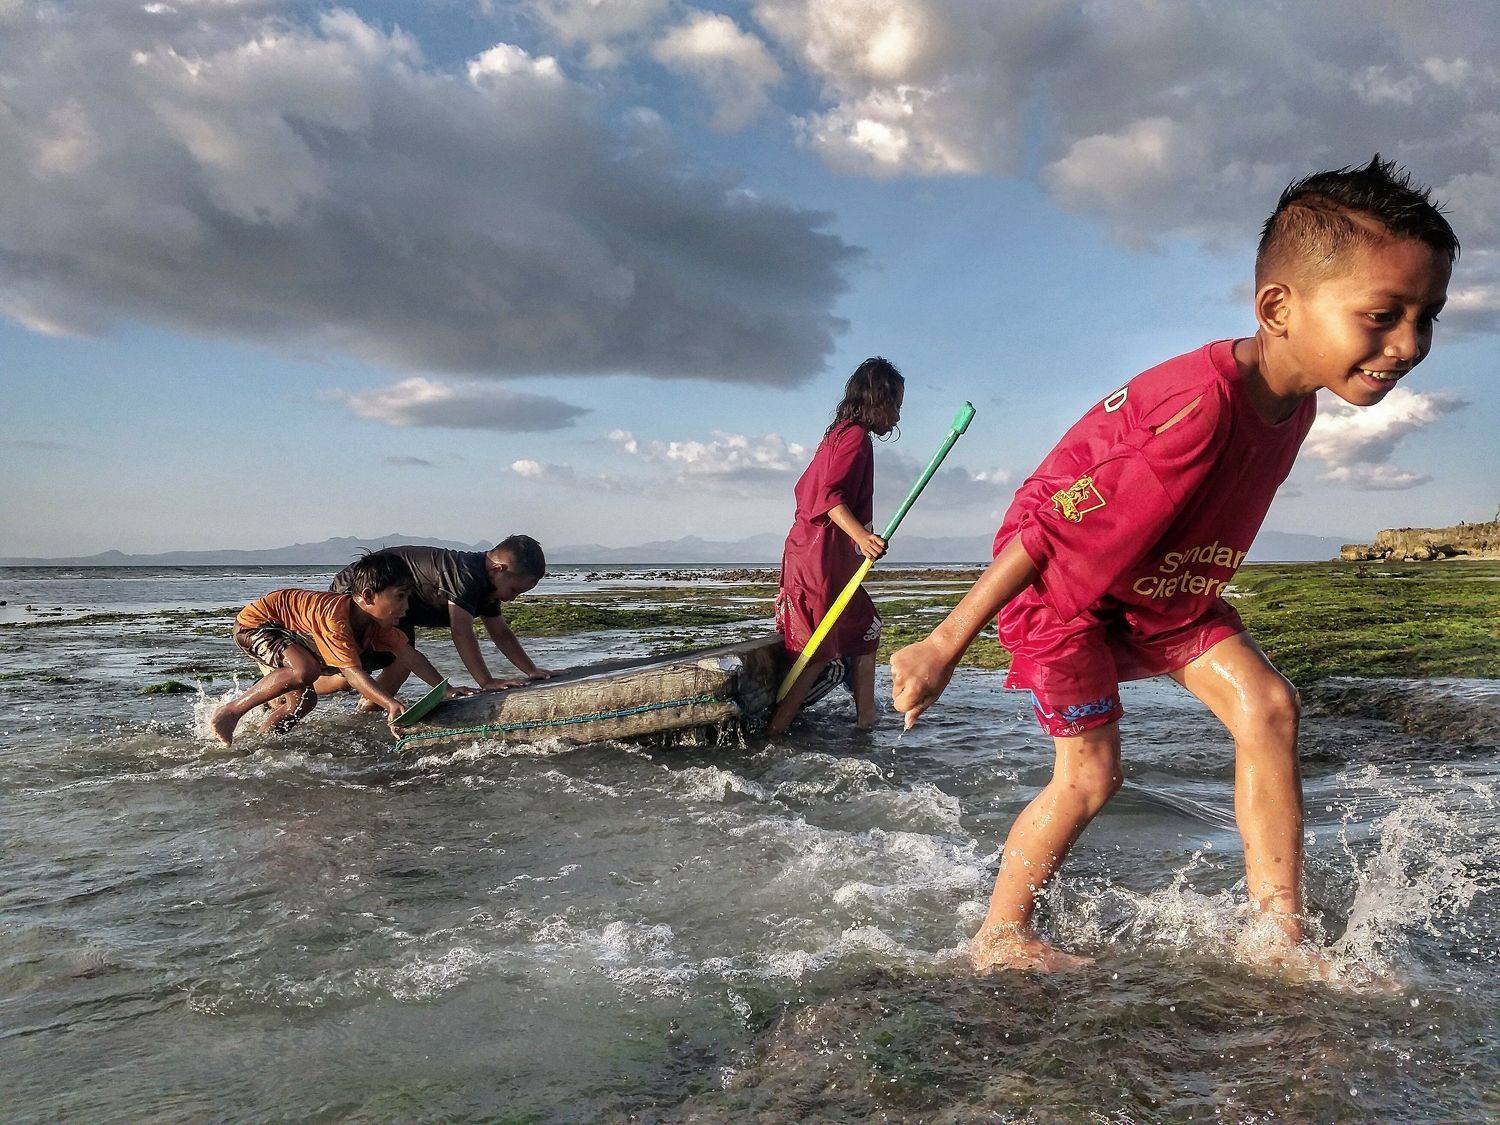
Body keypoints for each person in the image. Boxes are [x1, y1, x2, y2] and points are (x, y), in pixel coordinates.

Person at [890, 157, 1457, 972]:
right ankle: (1000, 933)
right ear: (1278, 308)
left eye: (1426, 317)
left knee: (1268, 707)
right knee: (1090, 775)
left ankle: (1278, 937)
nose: (1408, 344)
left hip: (1160, 587)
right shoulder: (1196, 409)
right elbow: (1046, 533)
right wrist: (943, 644)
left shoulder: (1295, 399)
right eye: (1382, 315)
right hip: (1062, 595)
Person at [770, 356, 905, 735]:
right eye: (895, 406)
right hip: (818, 557)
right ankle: (774, 734)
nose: (897, 417)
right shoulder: (854, 437)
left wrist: (857, 539)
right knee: (817, 650)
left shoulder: (838, 435)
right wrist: (862, 536)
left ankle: (867, 718)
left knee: (866, 628)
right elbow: (829, 496)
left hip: (821, 555)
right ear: (878, 401)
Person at [211, 552, 465, 747]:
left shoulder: (377, 624)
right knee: (305, 671)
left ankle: (262, 743)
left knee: (304, 702)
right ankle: (231, 711)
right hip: (256, 624)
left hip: (292, 634)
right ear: (368, 596)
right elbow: (352, 674)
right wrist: (390, 704)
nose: (406, 607)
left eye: (408, 598)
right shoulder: (336, 618)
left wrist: (446, 689)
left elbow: (410, 656)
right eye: (400, 597)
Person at [327, 536, 554, 704]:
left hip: (401, 608)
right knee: (347, 674)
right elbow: (461, 632)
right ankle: (307, 679)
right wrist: (486, 682)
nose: (512, 598)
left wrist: (531, 669)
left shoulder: (489, 587)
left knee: (401, 661)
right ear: (498, 569)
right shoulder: (466, 575)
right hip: (361, 589)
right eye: (514, 590)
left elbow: (500, 632)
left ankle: (370, 707)